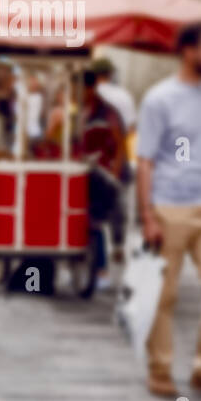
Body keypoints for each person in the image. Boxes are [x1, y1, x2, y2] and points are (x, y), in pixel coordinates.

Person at [136, 21, 201, 401]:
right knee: (165, 295)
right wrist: (147, 215)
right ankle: (160, 368)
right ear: (188, 51)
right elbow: (145, 161)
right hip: (169, 207)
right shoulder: (159, 99)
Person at [78, 70, 126, 284]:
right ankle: (94, 267)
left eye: (81, 89)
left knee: (99, 219)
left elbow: (120, 146)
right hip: (85, 172)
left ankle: (104, 264)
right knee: (88, 220)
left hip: (105, 174)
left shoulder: (108, 113)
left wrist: (114, 174)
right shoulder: (80, 112)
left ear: (90, 88)